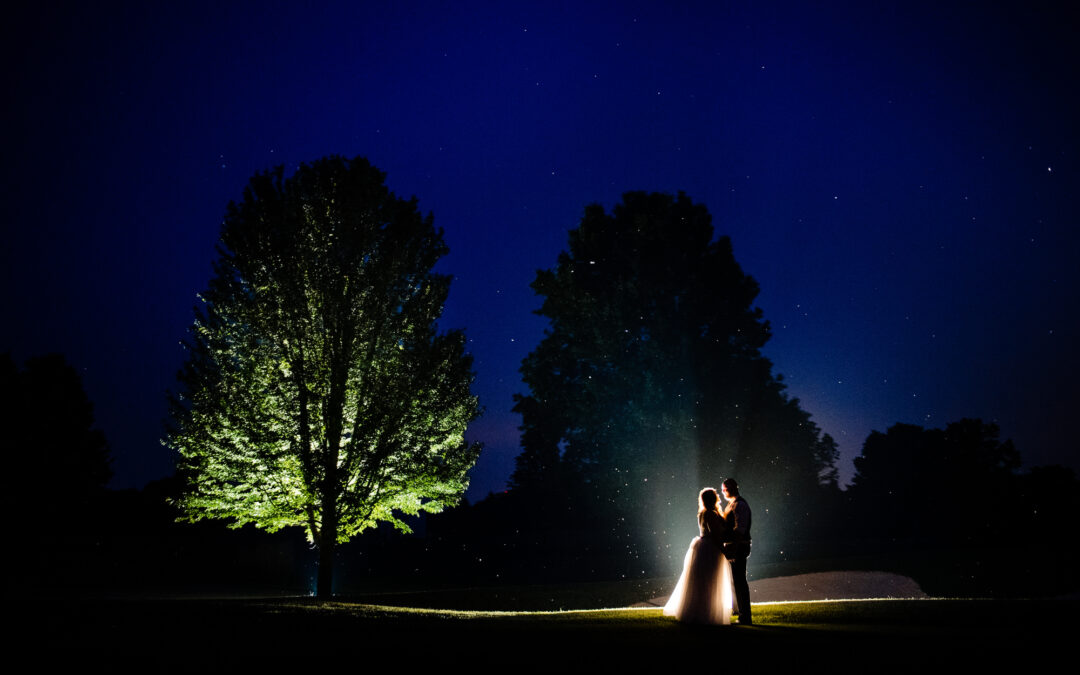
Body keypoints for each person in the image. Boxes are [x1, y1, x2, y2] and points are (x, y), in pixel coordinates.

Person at [663, 487, 733, 624]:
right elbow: (715, 535)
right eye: (715, 495)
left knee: (703, 581)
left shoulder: (702, 513)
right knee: (710, 581)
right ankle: (707, 613)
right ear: (713, 498)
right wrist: (725, 552)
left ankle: (698, 611)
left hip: (703, 547)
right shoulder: (711, 514)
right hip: (711, 549)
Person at [721, 478, 752, 625]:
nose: (723, 492)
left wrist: (733, 547)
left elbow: (740, 529)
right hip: (735, 546)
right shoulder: (732, 504)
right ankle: (741, 613)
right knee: (736, 581)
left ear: (730, 488)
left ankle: (745, 615)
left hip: (739, 546)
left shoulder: (740, 505)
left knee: (739, 581)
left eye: (724, 489)